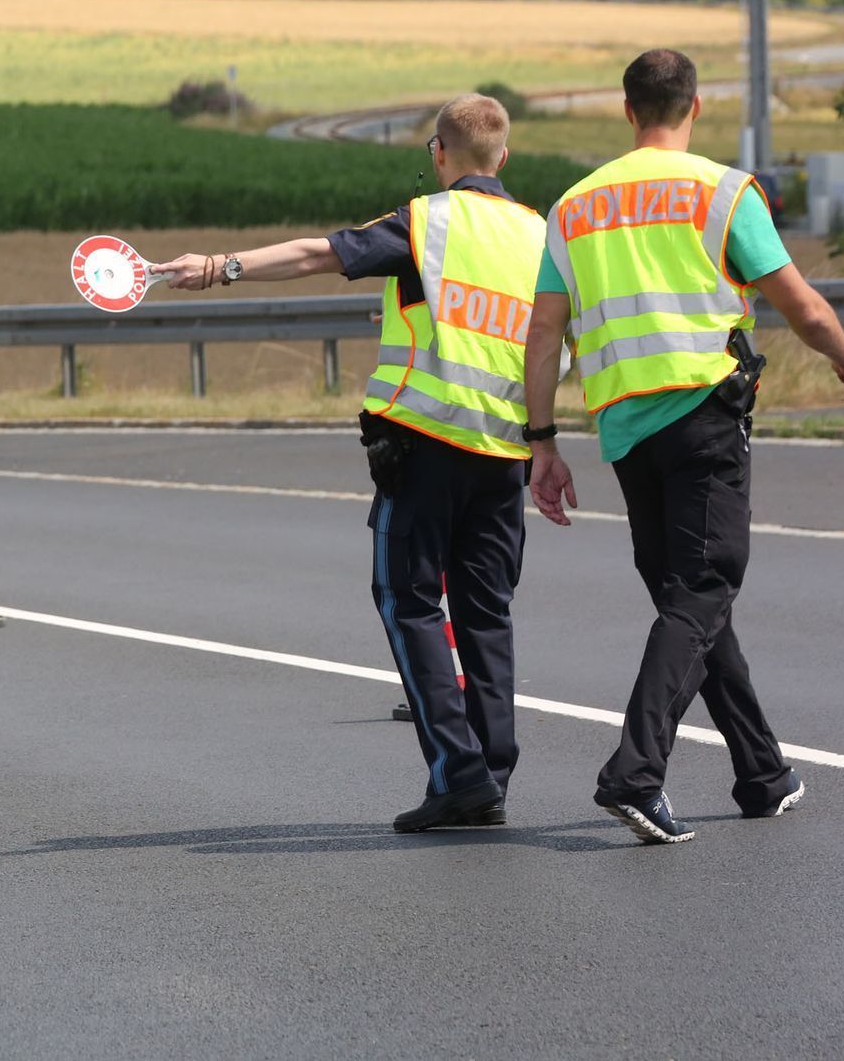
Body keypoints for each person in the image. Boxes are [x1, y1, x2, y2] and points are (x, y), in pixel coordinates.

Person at [150, 94, 547, 833]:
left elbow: (316, 252)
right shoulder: (539, 236)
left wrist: (217, 266)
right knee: (486, 613)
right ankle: (491, 768)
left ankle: (460, 776)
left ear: (438, 154)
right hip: (504, 452)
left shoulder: (428, 222)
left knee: (409, 601)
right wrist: (548, 442)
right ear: (505, 157)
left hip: (426, 443)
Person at [523, 48, 844, 846]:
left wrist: (540, 441)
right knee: (705, 586)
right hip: (702, 413)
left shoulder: (572, 206)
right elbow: (800, 303)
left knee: (686, 593)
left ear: (626, 110)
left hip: (623, 428)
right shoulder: (719, 190)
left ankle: (762, 771)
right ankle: (634, 774)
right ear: (695, 106)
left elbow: (543, 331)